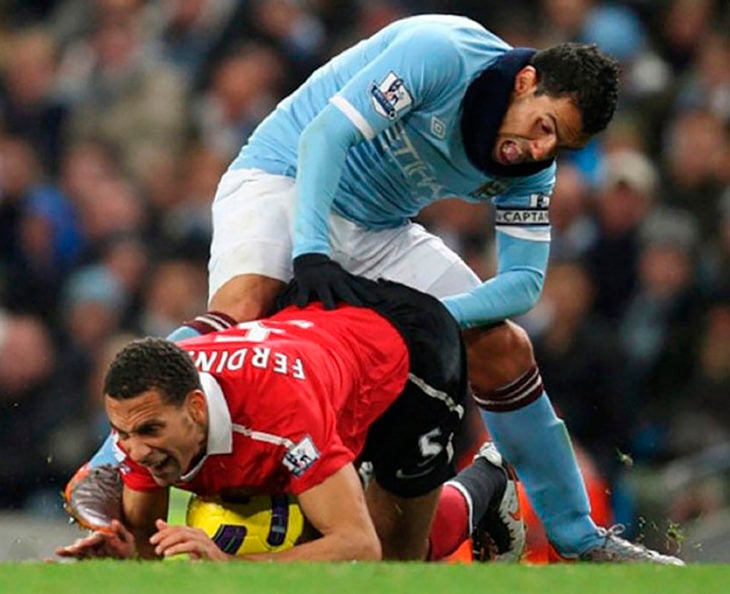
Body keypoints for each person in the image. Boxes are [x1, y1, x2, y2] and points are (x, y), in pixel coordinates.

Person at [69, 14, 681, 563]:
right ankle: (103, 469)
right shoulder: (439, 51)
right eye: (545, 126)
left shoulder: (531, 163)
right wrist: (309, 252)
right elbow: (325, 140)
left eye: (561, 146)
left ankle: (579, 536)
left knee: (504, 348)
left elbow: (524, 282)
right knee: (245, 305)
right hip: (287, 179)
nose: (541, 148)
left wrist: (420, 317)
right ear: (524, 81)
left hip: (379, 227)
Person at [57, 277, 522, 561]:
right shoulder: (150, 412)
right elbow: (144, 539)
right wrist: (119, 553)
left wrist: (229, 566)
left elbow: (360, 547)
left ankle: (488, 482)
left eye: (149, 432)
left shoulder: (280, 421)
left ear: (196, 409)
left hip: (407, 359)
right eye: (122, 433)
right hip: (319, 340)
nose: (135, 451)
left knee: (399, 559)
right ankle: (342, 480)